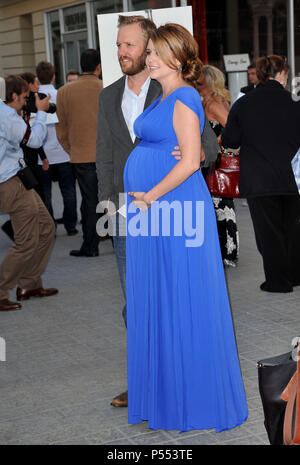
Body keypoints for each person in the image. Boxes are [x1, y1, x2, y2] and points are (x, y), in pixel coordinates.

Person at [124, 23, 248, 432]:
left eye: (158, 53)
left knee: (181, 293)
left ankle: (189, 398)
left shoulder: (184, 96)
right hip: (156, 212)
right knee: (158, 294)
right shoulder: (163, 96)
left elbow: (191, 160)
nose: (151, 58)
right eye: (151, 52)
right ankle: (163, 393)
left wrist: (149, 195)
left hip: (170, 209)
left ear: (178, 58)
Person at [96, 15, 161, 408]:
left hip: (169, 211)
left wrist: (181, 158)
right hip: (123, 212)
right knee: (134, 299)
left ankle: (171, 375)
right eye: (118, 45)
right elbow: (103, 152)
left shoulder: (169, 88)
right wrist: (105, 198)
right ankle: (142, 381)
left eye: (129, 45)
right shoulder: (107, 96)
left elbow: (204, 147)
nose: (121, 52)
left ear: (148, 47)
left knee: (165, 295)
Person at [222, 54, 300, 293]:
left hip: (258, 178)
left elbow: (229, 140)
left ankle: (277, 281)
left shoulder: (244, 103)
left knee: (268, 232)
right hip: (292, 176)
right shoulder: (294, 102)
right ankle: (294, 275)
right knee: (293, 229)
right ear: (280, 74)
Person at [0, 75, 58, 311]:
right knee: (26, 241)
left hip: (18, 179)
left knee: (46, 228)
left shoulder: (8, 114)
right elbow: (34, 140)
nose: (27, 102)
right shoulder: (6, 116)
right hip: (9, 183)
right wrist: (42, 113)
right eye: (25, 97)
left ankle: (30, 283)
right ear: (13, 96)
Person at [56, 49, 103, 257]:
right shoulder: (107, 87)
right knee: (106, 198)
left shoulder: (64, 92)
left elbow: (61, 128)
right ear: (99, 67)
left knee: (89, 200)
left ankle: (91, 246)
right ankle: (107, 237)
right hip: (106, 154)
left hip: (81, 156)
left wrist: (71, 149)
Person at [198, 65, 239, 267]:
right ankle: (223, 251)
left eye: (199, 79)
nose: (195, 81)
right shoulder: (205, 102)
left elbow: (231, 127)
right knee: (217, 205)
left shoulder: (214, 103)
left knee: (220, 205)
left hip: (216, 163)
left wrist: (213, 146)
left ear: (207, 81)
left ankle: (227, 253)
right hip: (209, 161)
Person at [36, 61, 78, 236]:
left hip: (42, 155)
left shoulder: (35, 98)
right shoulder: (62, 94)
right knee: (68, 191)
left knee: (46, 194)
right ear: (54, 77)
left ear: (37, 78)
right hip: (62, 152)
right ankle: (71, 226)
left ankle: (49, 228)